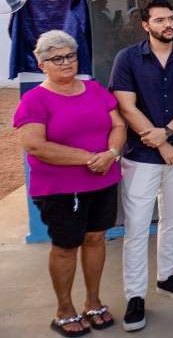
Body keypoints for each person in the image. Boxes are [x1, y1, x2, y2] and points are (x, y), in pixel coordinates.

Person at [13, 30, 126, 337]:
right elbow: (34, 145)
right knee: (65, 248)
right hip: (60, 189)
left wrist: (112, 154)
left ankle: (93, 302)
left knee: (96, 239)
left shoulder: (94, 89)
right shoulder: (34, 100)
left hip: (103, 180)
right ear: (42, 64)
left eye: (71, 56)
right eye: (56, 58)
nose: (66, 62)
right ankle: (64, 309)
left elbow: (117, 124)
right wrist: (91, 158)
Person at [108, 0, 173, 331]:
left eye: (171, 19)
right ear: (145, 25)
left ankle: (166, 277)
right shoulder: (128, 58)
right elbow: (125, 105)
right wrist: (161, 143)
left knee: (172, 220)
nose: (168, 25)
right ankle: (135, 296)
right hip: (141, 155)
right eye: (160, 20)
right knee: (136, 227)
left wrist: (166, 133)